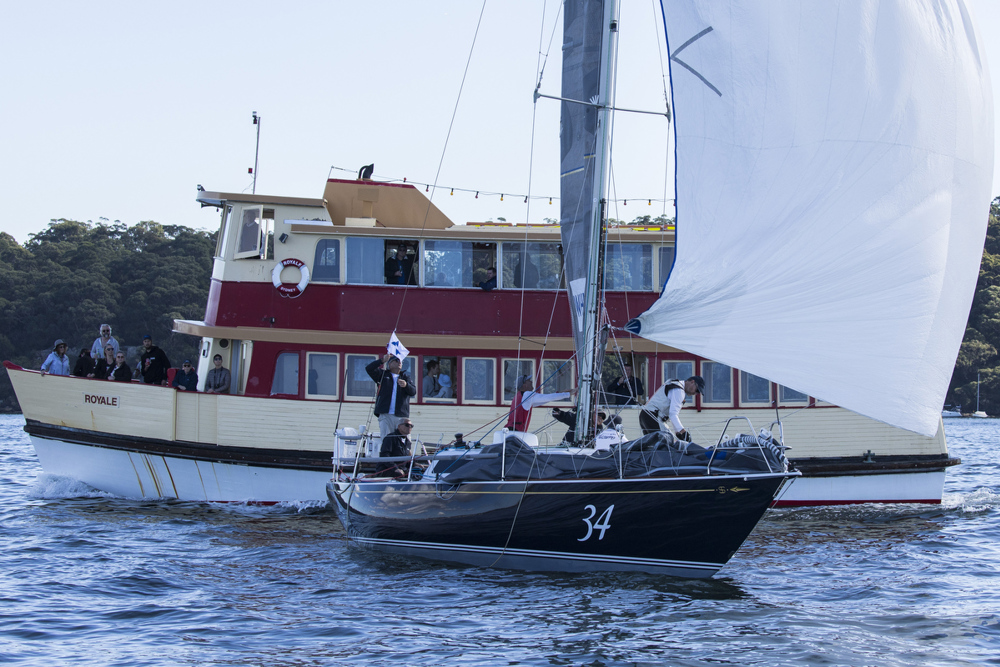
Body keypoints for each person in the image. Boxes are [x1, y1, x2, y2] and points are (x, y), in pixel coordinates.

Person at [366, 354, 416, 439]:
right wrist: (381, 361)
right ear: (389, 363)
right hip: (385, 414)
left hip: (401, 415)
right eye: (396, 360)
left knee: (403, 440)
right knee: (386, 439)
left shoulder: (405, 377)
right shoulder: (382, 375)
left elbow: (413, 392)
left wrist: (406, 385)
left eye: (401, 361)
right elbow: (369, 368)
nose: (399, 362)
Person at [639, 376, 705, 440]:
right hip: (653, 416)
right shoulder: (679, 391)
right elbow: (673, 414)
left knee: (655, 445)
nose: (696, 393)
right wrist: (683, 432)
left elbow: (672, 415)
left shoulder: (674, 383)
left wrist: (677, 432)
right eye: (697, 390)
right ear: (692, 382)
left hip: (645, 415)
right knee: (666, 444)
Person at [505, 374, 574, 432]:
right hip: (516, 432)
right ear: (524, 385)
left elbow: (545, 399)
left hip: (510, 430)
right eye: (529, 381)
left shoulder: (518, 396)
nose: (531, 382)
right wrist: (568, 394)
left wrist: (562, 392)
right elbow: (547, 398)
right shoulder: (526, 394)